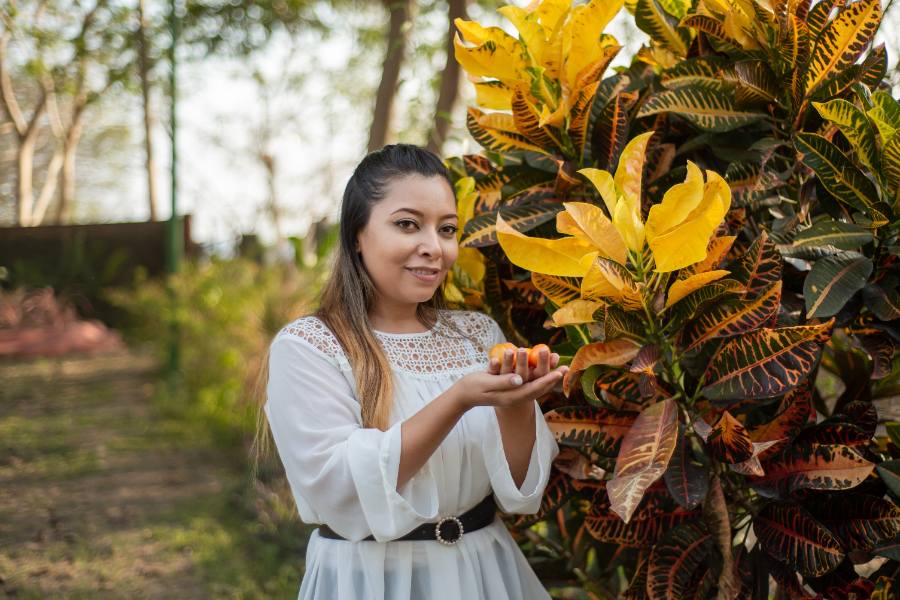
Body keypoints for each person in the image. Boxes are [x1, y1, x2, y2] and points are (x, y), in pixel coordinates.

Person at [260, 143, 567, 599]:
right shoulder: (310, 345)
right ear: (357, 234)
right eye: (407, 224)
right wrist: (459, 398)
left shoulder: (476, 333)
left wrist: (517, 405)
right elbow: (341, 488)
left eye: (447, 229)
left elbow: (520, 493)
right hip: (371, 580)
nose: (434, 248)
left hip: (483, 571)